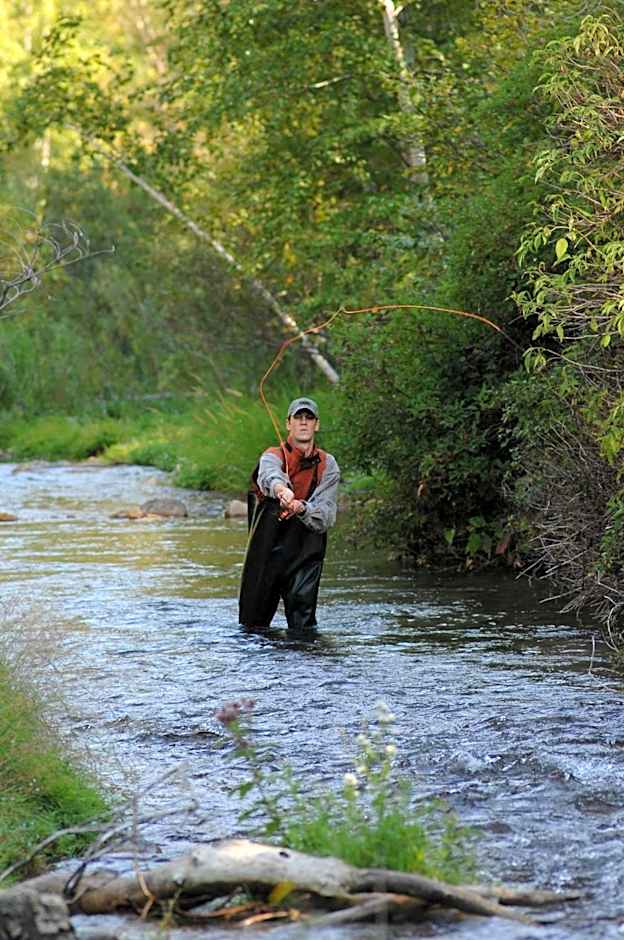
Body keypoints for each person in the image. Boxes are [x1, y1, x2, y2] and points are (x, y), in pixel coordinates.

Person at [238, 396, 340, 632]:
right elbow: (268, 475)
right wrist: (281, 490)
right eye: (298, 418)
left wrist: (302, 508)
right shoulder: (272, 455)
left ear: (317, 425)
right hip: (267, 549)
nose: (303, 423)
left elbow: (325, 515)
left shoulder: (329, 464)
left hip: (306, 549)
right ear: (288, 424)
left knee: (303, 629)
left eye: (309, 418)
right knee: (253, 628)